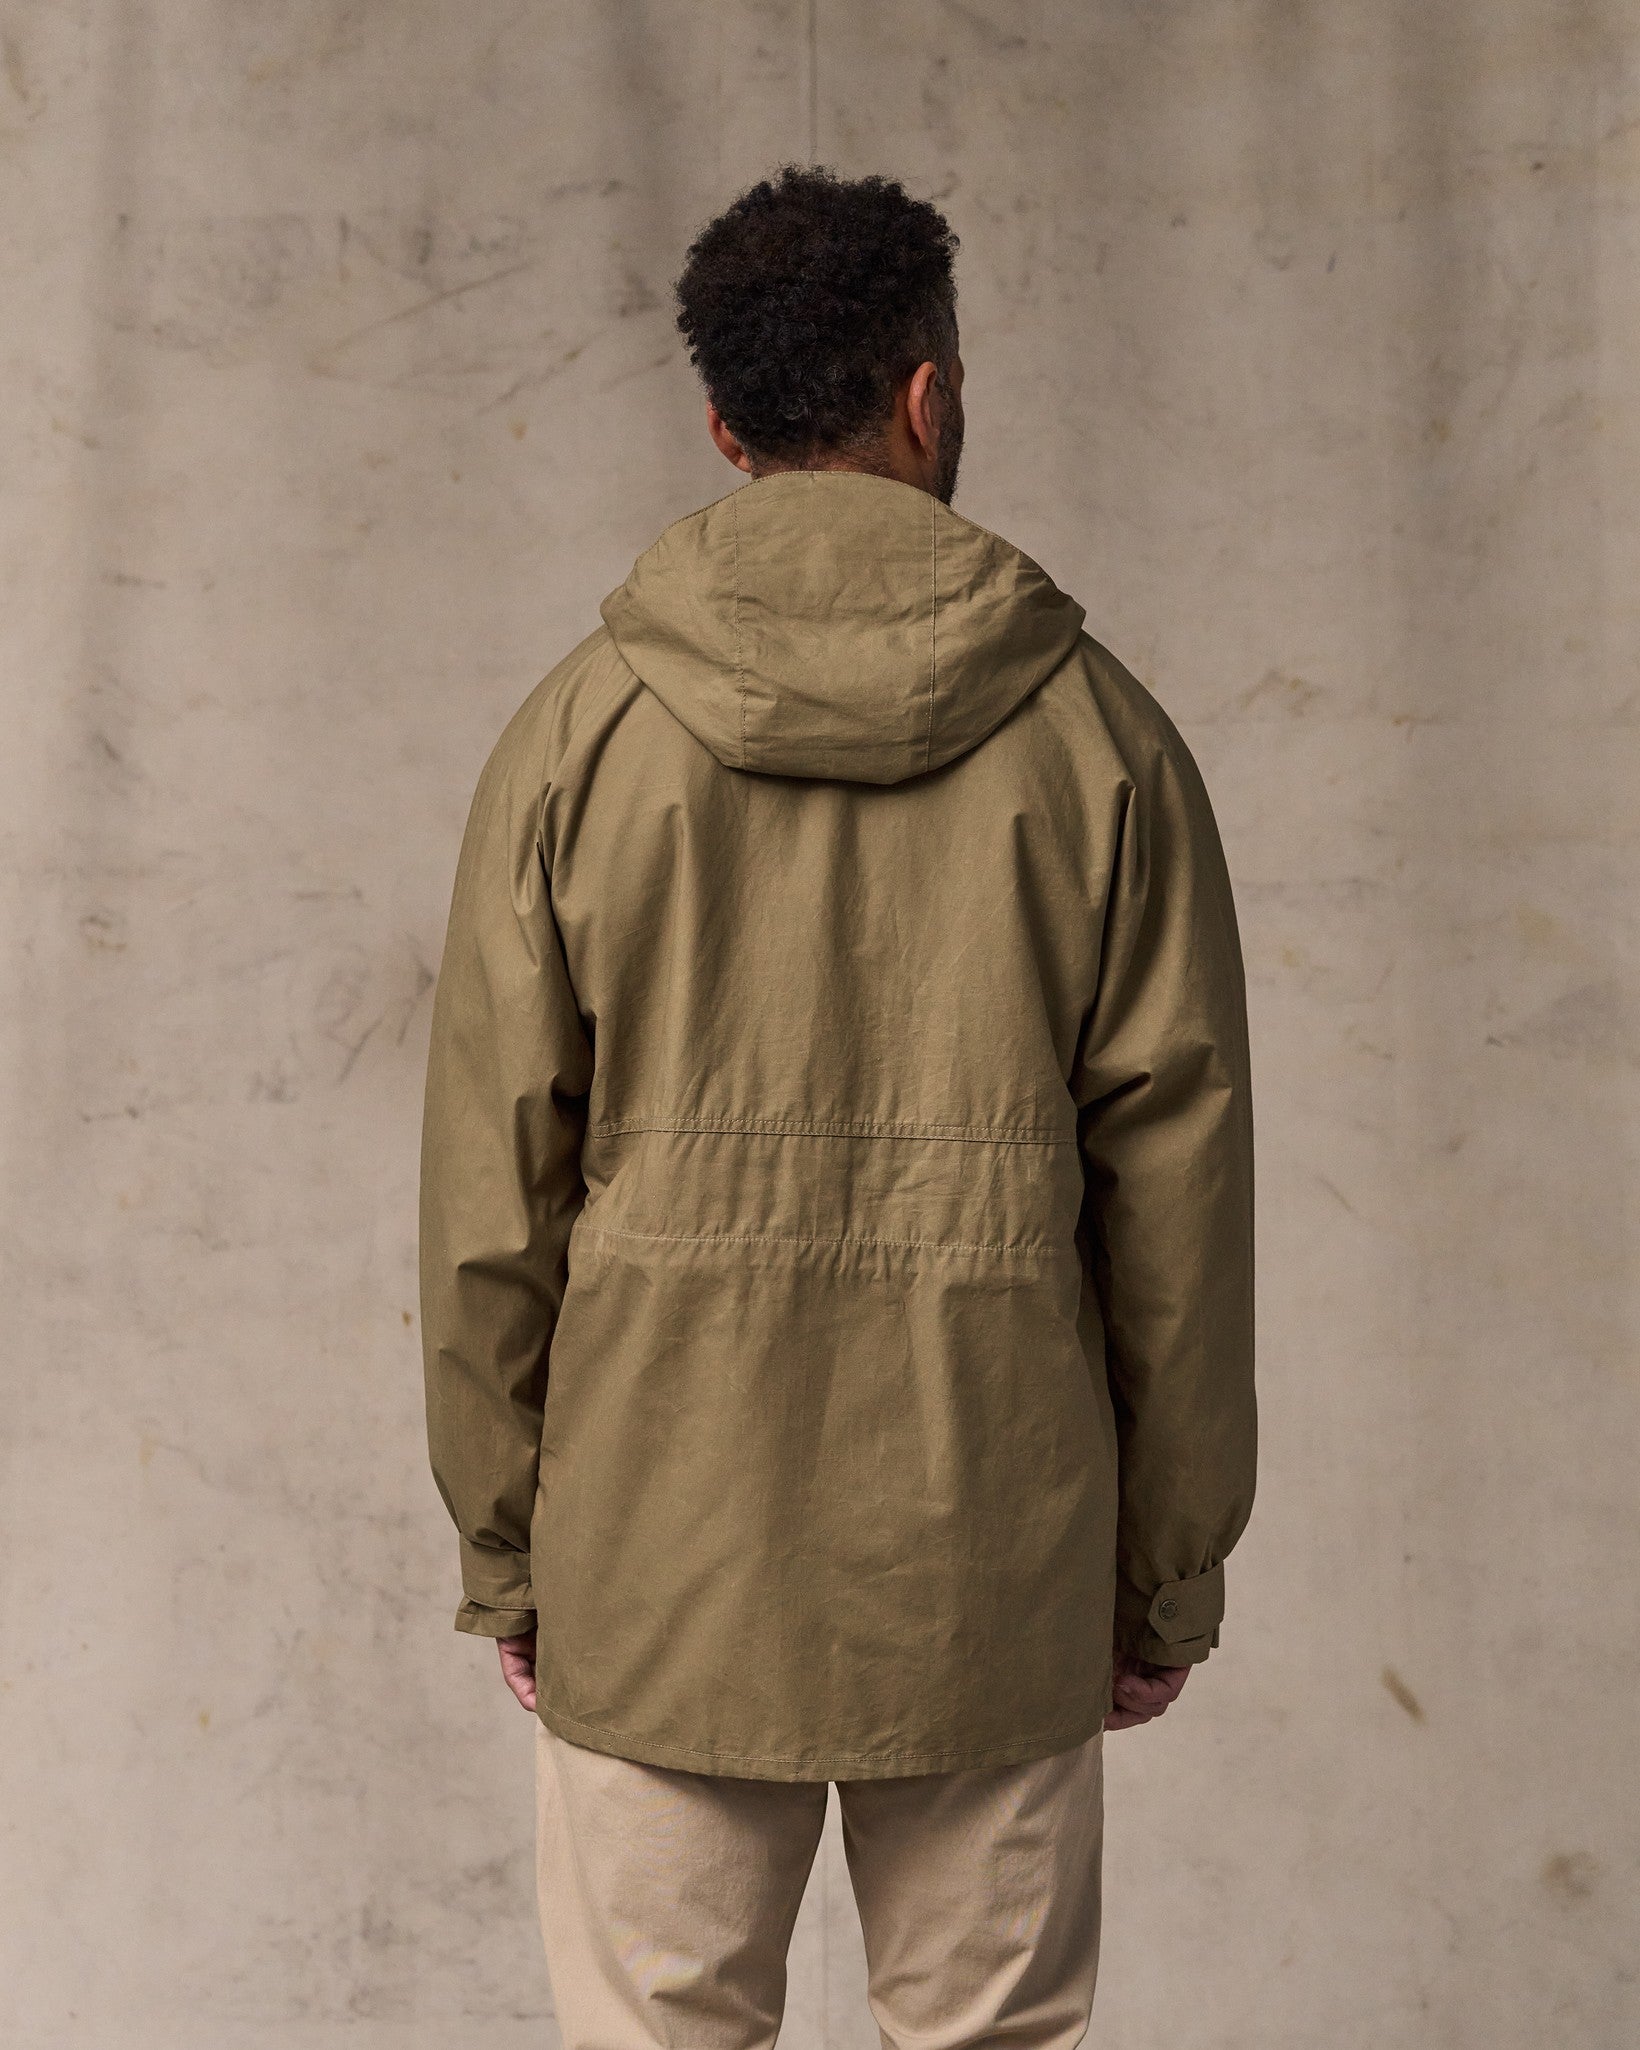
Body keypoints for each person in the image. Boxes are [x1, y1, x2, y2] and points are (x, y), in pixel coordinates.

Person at [419, 165, 1255, 2050]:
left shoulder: (574, 740)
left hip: (657, 1551)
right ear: (930, 398)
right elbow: (1182, 1206)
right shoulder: (1106, 745)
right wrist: (1163, 1576)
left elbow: (491, 1201)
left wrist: (510, 1550)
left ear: (725, 429)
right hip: (997, 1555)